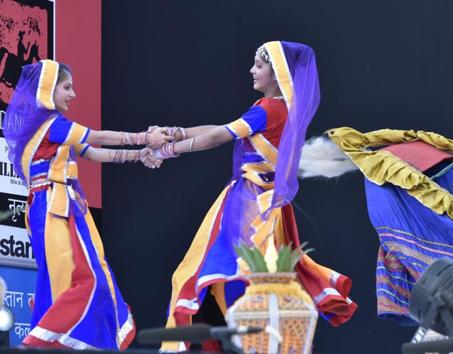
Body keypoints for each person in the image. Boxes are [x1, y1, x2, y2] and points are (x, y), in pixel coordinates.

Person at [154, 41, 357, 351]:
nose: (251, 70)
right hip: (261, 202)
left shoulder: (269, 109)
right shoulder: (272, 109)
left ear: (276, 74)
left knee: (221, 277)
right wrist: (179, 132)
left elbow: (217, 137)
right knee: (231, 279)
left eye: (258, 65)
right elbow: (222, 128)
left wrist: (169, 149)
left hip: (249, 204)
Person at [3, 59, 169, 349]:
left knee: (68, 281)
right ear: (47, 90)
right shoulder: (52, 124)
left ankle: (48, 341)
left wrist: (140, 154)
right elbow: (98, 137)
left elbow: (93, 153)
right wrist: (146, 137)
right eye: (67, 87)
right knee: (86, 279)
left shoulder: (52, 129)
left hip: (57, 207)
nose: (73, 94)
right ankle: (39, 343)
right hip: (54, 207)